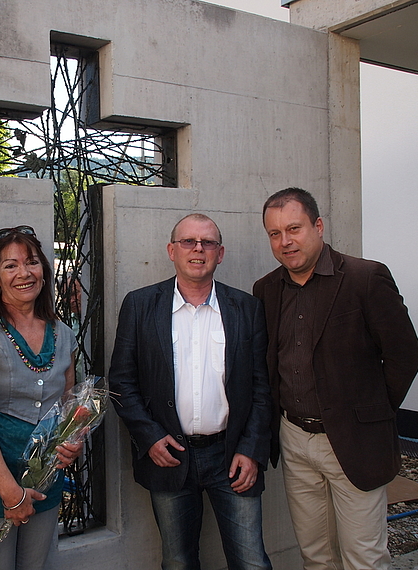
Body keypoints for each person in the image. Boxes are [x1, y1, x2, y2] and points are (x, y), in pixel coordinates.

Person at [253, 187, 418, 570]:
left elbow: (406, 355)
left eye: (294, 228)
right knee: (315, 555)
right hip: (294, 440)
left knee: (363, 557)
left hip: (353, 439)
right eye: (275, 233)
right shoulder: (266, 290)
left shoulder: (365, 278)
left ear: (318, 226)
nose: (285, 241)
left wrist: (371, 413)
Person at [109, 213, 273, 570]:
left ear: (220, 253)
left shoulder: (247, 308)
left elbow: (263, 387)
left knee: (252, 562)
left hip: (232, 457)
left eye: (208, 242)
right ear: (171, 250)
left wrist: (252, 450)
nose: (198, 249)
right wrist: (150, 437)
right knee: (178, 562)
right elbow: (121, 382)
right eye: (188, 241)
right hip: (169, 455)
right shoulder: (139, 306)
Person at [0, 225, 80, 570]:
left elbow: (67, 408)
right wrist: (10, 492)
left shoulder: (63, 334)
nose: (24, 273)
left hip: (44, 481)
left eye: (32, 262)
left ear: (44, 271)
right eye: (10, 265)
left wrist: (71, 442)